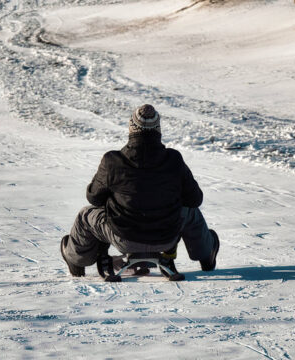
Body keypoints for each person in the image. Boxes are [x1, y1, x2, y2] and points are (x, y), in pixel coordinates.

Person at [61, 104, 219, 277]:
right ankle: (206, 254)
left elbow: (94, 198)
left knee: (86, 215)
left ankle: (76, 260)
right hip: (166, 236)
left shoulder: (112, 161)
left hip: (124, 238)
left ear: (131, 129)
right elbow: (195, 199)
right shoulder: (173, 159)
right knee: (190, 212)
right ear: (157, 130)